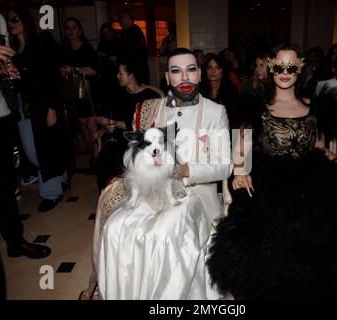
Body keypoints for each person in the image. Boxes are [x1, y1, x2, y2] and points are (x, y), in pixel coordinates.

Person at [207, 43, 337, 299]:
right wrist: (241, 171)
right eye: (279, 66)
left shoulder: (314, 107)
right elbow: (239, 145)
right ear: (271, 69)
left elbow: (320, 149)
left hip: (311, 177)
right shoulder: (257, 106)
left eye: (291, 66)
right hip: (268, 180)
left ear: (299, 71)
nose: (285, 72)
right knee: (266, 239)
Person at [94, 48, 231, 299]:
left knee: (163, 234)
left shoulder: (215, 111)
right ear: (167, 78)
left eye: (191, 69)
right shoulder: (149, 109)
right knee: (115, 228)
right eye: (176, 71)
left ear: (199, 74)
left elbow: (226, 165)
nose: (185, 77)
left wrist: (187, 170)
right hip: (152, 188)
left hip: (194, 192)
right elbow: (136, 154)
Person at [0, 0, 51, 259]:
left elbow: (1, 61)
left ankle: (15, 241)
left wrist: (7, 68)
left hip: (0, 117)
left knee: (5, 185)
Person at [6, 5, 70, 212]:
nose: (12, 24)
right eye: (9, 20)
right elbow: (22, 82)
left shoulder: (40, 44)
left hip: (43, 105)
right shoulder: (12, 49)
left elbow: (51, 77)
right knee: (33, 152)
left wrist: (52, 107)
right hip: (23, 107)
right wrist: (13, 76)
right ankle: (60, 177)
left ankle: (51, 192)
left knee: (42, 150)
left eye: (15, 19)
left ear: (25, 20)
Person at [95, 59, 163, 192]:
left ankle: (134, 194)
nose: (117, 76)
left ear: (131, 75)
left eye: (121, 73)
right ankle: (109, 196)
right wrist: (109, 126)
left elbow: (141, 126)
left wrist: (112, 123)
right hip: (121, 138)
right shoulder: (119, 94)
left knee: (122, 158)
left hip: (143, 140)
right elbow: (114, 119)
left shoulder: (151, 95)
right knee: (104, 157)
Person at [60, 17, 99, 171]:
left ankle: (96, 157)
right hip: (72, 93)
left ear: (80, 30)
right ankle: (93, 152)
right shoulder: (63, 49)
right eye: (68, 27)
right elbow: (61, 71)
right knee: (82, 128)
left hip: (88, 92)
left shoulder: (87, 48)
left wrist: (74, 70)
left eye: (74, 27)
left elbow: (94, 70)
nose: (71, 30)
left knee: (91, 126)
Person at [117, 10, 149, 85]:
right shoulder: (126, 32)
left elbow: (134, 53)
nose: (120, 22)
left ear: (128, 18)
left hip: (136, 70)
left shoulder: (135, 32)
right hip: (132, 70)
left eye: (121, 19)